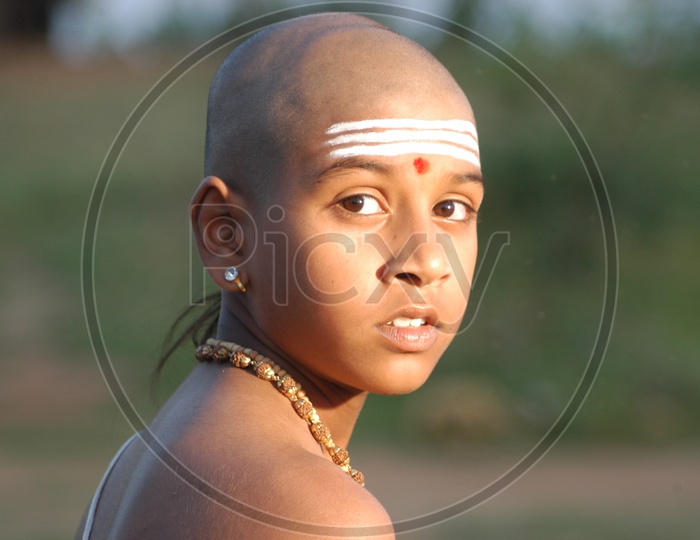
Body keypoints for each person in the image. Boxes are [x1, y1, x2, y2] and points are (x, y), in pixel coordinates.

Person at [76, 12, 484, 539]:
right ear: (227, 235)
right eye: (359, 202)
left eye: (452, 208)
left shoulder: (140, 461)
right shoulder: (316, 516)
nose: (428, 262)